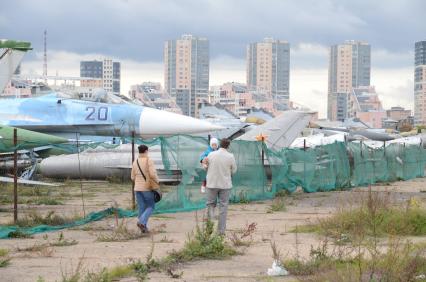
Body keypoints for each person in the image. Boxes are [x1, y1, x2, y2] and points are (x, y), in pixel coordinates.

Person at [204, 138, 237, 235]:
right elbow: (234, 170)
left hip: (212, 183)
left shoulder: (211, 154)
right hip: (225, 184)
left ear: (219, 145)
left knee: (210, 205)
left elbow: (205, 166)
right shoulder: (230, 156)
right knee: (223, 207)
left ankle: (209, 229)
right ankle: (221, 231)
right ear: (228, 146)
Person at [131, 144, 159, 233]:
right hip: (146, 188)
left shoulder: (135, 161)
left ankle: (144, 228)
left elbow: (132, 177)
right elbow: (152, 174)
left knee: (142, 207)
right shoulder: (149, 160)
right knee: (151, 206)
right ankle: (141, 222)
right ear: (146, 151)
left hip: (137, 188)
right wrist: (157, 181)